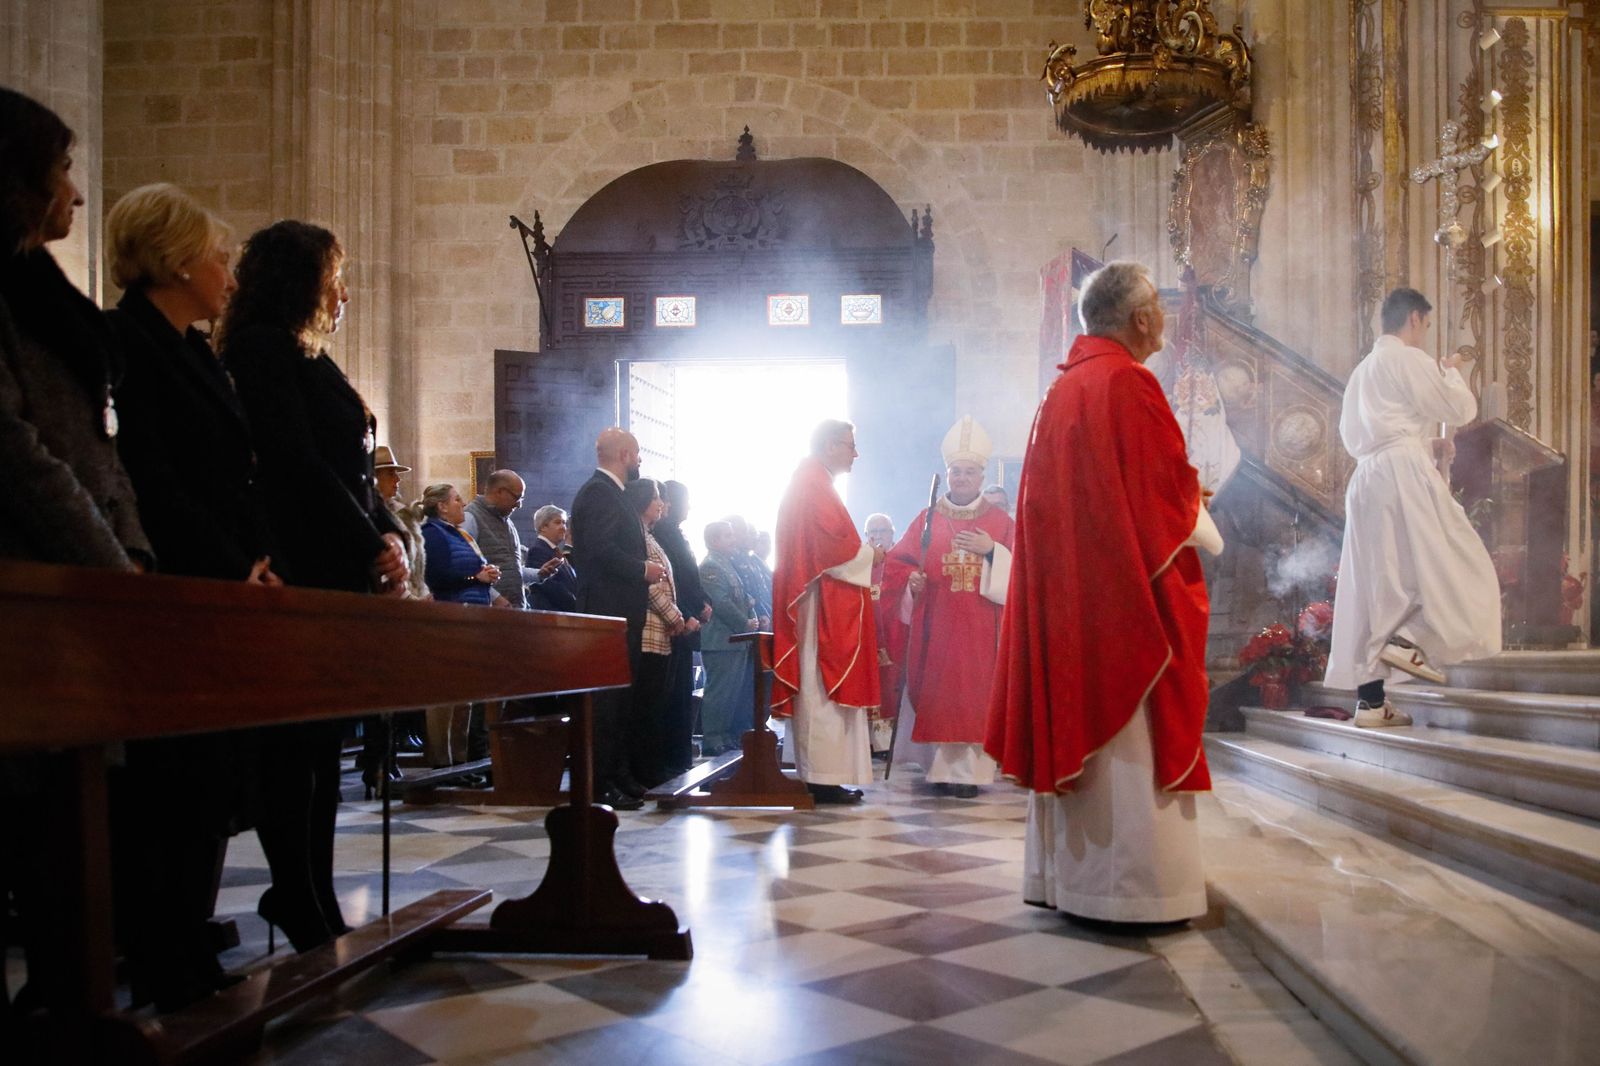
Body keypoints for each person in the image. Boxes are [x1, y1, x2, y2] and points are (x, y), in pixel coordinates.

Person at [986, 261, 1223, 924]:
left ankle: (1067, 882)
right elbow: (1157, 500)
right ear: (1142, 319)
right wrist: (1193, 504)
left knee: (1082, 722)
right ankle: (1134, 893)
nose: (1164, 323)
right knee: (1130, 741)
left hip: (1071, 603)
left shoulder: (1061, 390)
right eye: (1160, 310)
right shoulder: (1129, 382)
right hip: (1120, 608)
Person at [103, 181, 277, 1010]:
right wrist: (228, 559)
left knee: (210, 776)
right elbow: (150, 478)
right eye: (218, 258)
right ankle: (163, 950)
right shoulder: (126, 345)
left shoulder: (196, 352)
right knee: (168, 783)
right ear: (175, 261)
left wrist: (258, 554)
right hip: (175, 585)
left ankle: (189, 940)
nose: (229, 276)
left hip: (225, 579)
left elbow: (233, 474)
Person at [0, 87, 154, 1017]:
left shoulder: (38, 291)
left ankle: (69, 1008)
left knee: (71, 821)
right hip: (36, 587)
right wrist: (106, 557)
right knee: (38, 817)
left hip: (81, 582)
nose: (78, 194)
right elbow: (17, 449)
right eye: (61, 171)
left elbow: (92, 444)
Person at [219, 219, 408, 952]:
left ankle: (315, 891)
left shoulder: (307, 355)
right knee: (294, 749)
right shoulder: (262, 349)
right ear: (300, 278)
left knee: (322, 746)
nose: (344, 291)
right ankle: (295, 891)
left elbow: (356, 471)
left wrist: (388, 531)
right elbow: (296, 463)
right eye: (335, 274)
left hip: (340, 565)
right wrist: (370, 545)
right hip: (305, 564)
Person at [1324, 287, 1502, 725]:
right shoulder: (1407, 359)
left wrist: (1426, 443)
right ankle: (1406, 646)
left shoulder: (1363, 371)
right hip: (1402, 474)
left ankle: (1370, 702)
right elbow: (1459, 408)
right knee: (1458, 563)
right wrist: (1450, 372)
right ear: (1416, 319)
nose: (1424, 333)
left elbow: (1371, 434)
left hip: (1367, 478)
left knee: (1377, 588)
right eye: (1425, 325)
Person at [884, 416, 1014, 798]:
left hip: (980, 628)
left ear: (981, 475)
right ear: (947, 473)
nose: (961, 478)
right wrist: (911, 581)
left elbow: (1022, 570)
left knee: (973, 698)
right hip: (936, 628)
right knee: (938, 696)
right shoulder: (926, 520)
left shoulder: (999, 521)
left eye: (969, 472)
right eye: (955, 471)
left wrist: (991, 550)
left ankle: (970, 775)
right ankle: (938, 770)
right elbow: (897, 563)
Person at [772, 419, 883, 804]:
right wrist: (873, 555)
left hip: (822, 597)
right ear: (831, 446)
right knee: (819, 687)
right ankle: (820, 778)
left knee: (819, 689)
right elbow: (833, 547)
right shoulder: (813, 485)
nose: (855, 453)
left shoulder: (814, 481)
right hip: (819, 603)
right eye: (850, 446)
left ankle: (826, 776)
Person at [570, 426, 663, 811]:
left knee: (622, 699)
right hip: (607, 612)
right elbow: (598, 551)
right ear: (625, 454)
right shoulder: (599, 493)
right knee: (606, 702)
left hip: (622, 612)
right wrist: (642, 569)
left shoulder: (614, 493)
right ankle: (598, 782)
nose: (640, 461)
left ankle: (619, 774)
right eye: (637, 454)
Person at [624, 478, 697, 786]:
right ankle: (646, 772)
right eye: (656, 499)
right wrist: (676, 617)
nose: (661, 504)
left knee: (655, 706)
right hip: (651, 630)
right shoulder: (638, 537)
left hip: (661, 632)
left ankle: (653, 770)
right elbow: (652, 586)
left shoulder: (649, 535)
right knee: (646, 708)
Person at [653, 480, 711, 776]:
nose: (689, 507)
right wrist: (688, 611)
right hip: (673, 624)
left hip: (685, 620)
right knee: (672, 695)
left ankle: (679, 757)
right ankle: (670, 760)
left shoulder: (674, 532)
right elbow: (671, 582)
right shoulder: (662, 533)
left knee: (681, 694)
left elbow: (688, 576)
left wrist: (702, 602)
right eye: (685, 501)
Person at [699, 519, 759, 756]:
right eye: (727, 536)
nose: (732, 540)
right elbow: (721, 602)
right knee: (720, 692)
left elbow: (744, 598)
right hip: (721, 640)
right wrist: (744, 623)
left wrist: (751, 618)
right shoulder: (711, 566)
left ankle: (724, 735)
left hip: (736, 640)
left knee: (732, 693)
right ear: (714, 541)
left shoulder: (727, 564)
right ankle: (713, 738)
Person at [462, 469, 536, 609]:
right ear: (500, 492)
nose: (519, 505)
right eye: (517, 497)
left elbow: (510, 568)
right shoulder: (470, 518)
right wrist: (496, 598)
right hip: (488, 610)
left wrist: (539, 574)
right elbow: (464, 569)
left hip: (512, 608)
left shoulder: (507, 522)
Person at [863, 513, 905, 756]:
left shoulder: (900, 561)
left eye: (883, 531)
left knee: (891, 689)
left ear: (893, 535)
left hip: (894, 638)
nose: (877, 536)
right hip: (866, 640)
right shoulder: (859, 564)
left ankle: (891, 744)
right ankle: (868, 743)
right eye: (872, 532)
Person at [420, 482, 501, 606]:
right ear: (443, 507)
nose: (463, 504)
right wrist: (476, 577)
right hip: (453, 610)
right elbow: (438, 578)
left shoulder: (457, 534)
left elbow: (468, 569)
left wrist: (488, 572)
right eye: (457, 500)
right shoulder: (433, 532)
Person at [525, 503, 576, 612]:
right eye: (558, 522)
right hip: (550, 615)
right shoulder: (538, 550)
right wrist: (577, 604)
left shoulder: (555, 551)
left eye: (564, 523)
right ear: (543, 527)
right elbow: (550, 588)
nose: (564, 527)